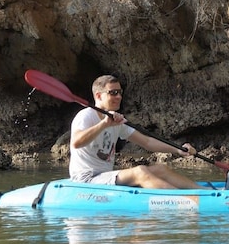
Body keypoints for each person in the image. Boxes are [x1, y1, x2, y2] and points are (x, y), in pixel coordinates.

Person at [69, 74, 204, 189]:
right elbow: (76, 142)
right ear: (98, 96)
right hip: (86, 179)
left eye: (120, 92)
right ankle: (185, 199)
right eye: (113, 93)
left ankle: (205, 193)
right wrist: (104, 124)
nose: (119, 97)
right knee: (139, 171)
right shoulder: (86, 116)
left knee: (160, 169)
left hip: (105, 176)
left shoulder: (115, 120)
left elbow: (147, 142)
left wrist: (178, 150)